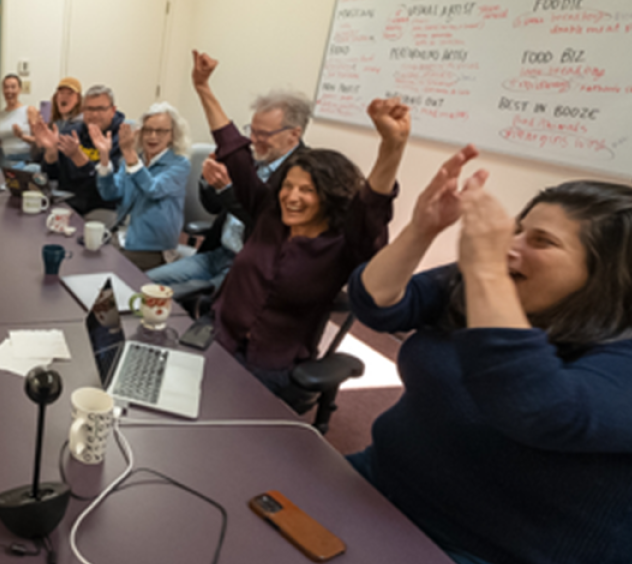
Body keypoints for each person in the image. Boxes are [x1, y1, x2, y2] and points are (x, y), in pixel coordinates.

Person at [348, 146, 632, 564]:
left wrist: (485, 271)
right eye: (516, 230)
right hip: (381, 484)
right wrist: (422, 230)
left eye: (541, 241)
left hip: (488, 551)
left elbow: (539, 409)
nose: (511, 247)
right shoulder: (496, 283)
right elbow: (378, 305)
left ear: (611, 276)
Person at [190, 50, 410, 410]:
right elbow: (232, 146)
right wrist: (202, 86)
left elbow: (373, 208)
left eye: (306, 190)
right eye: (288, 186)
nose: (292, 197)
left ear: (329, 197)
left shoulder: (343, 244)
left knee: (226, 439)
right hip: (217, 339)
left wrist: (392, 147)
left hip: (270, 366)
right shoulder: (268, 213)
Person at [147, 89, 313, 296]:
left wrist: (227, 190)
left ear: (294, 134)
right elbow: (213, 206)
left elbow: (264, 220)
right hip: (217, 253)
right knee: (145, 283)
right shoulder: (254, 158)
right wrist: (209, 181)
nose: (253, 139)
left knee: (179, 299)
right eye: (252, 130)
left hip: (249, 267)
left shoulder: (303, 174)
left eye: (263, 134)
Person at [92, 102, 193, 271]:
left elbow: (153, 189)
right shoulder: (134, 159)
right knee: (87, 260)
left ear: (172, 134)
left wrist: (130, 154)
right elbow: (110, 193)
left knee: (103, 271)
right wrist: (104, 156)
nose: (153, 136)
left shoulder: (179, 164)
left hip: (152, 247)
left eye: (161, 131)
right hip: (123, 236)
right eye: (148, 130)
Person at [30, 84, 127, 217]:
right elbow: (51, 176)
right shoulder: (70, 132)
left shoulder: (121, 140)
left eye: (100, 109)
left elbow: (108, 191)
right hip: (66, 202)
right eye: (89, 109)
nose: (94, 114)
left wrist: (79, 159)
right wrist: (51, 152)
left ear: (113, 110)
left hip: (99, 207)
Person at [0, 74, 32, 161]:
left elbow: (39, 142)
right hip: (4, 158)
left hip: (24, 157)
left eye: (13, 87)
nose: (9, 91)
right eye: (6, 87)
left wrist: (22, 136)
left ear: (19, 89)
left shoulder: (29, 110)